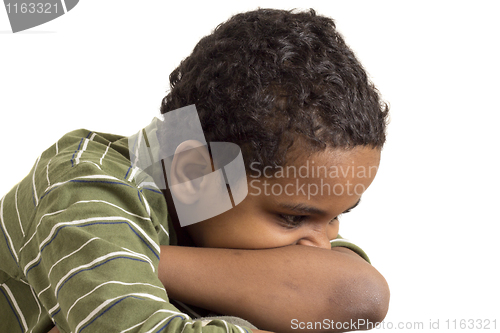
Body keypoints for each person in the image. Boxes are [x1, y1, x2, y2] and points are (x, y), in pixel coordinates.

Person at [0, 8, 390, 333]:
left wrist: (143, 262)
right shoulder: (84, 189)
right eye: (293, 217)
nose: (321, 246)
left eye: (336, 218)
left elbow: (359, 295)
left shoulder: (217, 199)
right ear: (193, 174)